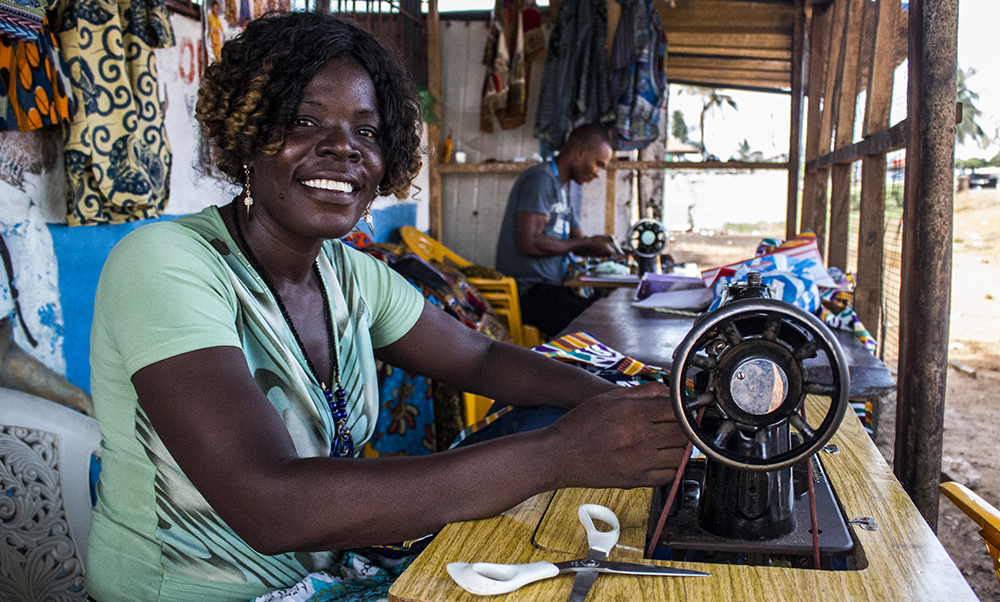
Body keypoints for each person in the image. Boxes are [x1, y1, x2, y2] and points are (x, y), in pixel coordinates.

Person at [84, 12, 687, 602]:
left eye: (367, 132)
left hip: (329, 576)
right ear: (248, 135)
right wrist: (560, 453)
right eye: (303, 120)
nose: (343, 149)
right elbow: (269, 504)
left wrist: (620, 406)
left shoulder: (349, 274)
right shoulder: (166, 263)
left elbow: (478, 358)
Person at [495, 124, 621, 338]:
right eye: (598, 164)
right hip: (528, 293)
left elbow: (579, 241)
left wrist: (607, 246)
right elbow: (530, 243)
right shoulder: (541, 180)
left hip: (548, 289)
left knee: (605, 307)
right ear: (580, 151)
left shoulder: (562, 189)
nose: (599, 173)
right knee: (596, 327)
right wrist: (586, 243)